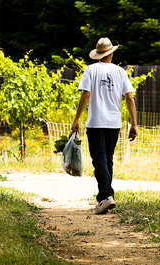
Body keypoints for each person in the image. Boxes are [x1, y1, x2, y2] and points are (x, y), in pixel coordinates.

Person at [71, 37, 138, 214]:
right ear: (112, 53)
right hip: (114, 123)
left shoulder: (90, 70)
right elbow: (129, 97)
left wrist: (76, 119)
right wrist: (134, 124)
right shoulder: (120, 72)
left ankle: (107, 196)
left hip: (95, 123)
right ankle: (104, 197)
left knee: (99, 158)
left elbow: (86, 95)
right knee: (107, 159)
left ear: (98, 54)